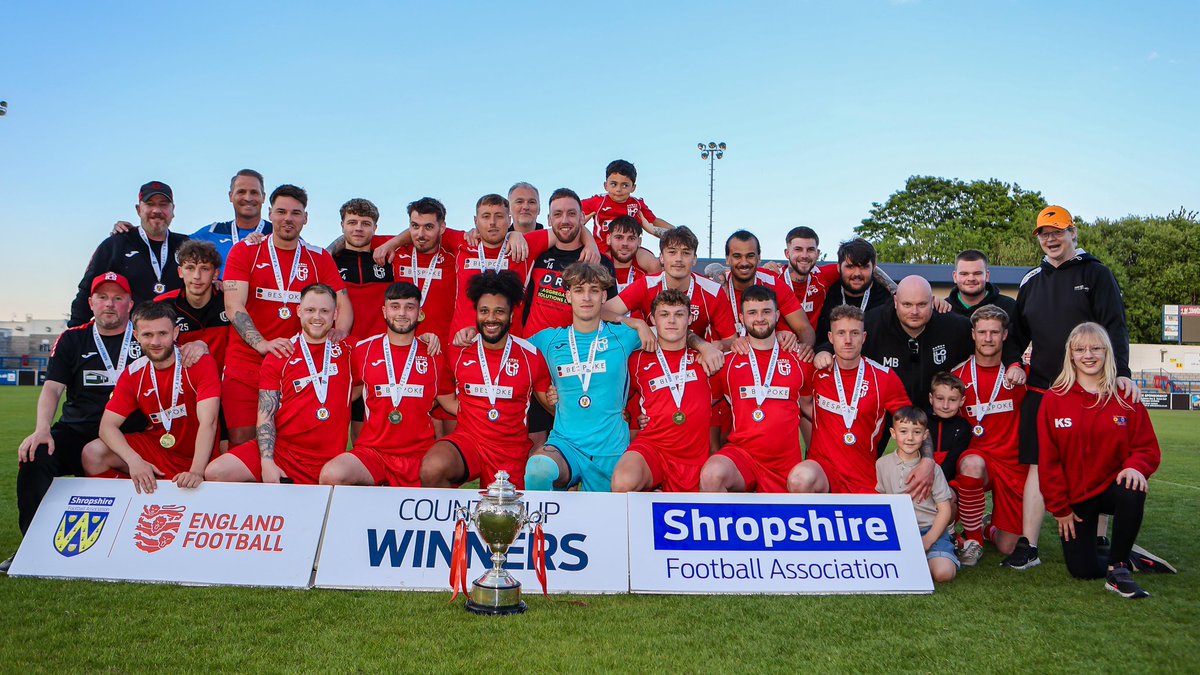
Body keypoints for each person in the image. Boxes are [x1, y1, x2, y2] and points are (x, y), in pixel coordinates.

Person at [1000, 205, 1142, 570]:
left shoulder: (1096, 273)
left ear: (1073, 233)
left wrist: (1121, 371)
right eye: (1044, 234)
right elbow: (1015, 336)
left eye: (1058, 232)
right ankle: (1029, 545)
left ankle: (1099, 535)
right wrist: (1014, 363)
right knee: (1037, 464)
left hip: (1092, 390)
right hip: (1043, 390)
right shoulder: (1032, 280)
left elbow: (1114, 326)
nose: (1051, 239)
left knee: (1103, 457)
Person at [1039, 323, 1162, 598]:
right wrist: (1059, 508)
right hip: (1076, 496)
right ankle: (1130, 556)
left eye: (1096, 348)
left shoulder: (1125, 395)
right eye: (1080, 349)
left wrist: (1135, 467)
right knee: (1082, 570)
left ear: (1107, 352)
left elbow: (1147, 448)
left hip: (1112, 488)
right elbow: (1049, 461)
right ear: (1071, 355)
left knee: (1133, 486)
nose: (1088, 355)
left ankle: (1118, 570)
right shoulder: (1054, 399)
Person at [221, 184, 351, 446]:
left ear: (305, 218)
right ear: (269, 214)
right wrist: (263, 344)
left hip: (296, 365)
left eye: (295, 213)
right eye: (281, 211)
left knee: (290, 441)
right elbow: (234, 305)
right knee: (243, 440)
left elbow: (343, 303)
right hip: (247, 362)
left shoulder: (319, 257)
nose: (288, 218)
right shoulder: (245, 251)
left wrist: (340, 332)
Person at [13, 273, 140, 539]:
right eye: (102, 297)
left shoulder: (145, 337)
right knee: (35, 457)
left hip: (130, 435)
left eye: (118, 298)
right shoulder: (72, 339)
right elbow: (52, 388)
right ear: (91, 302)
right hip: (77, 431)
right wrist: (42, 430)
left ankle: (127, 538)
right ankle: (32, 544)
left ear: (130, 304)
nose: (109, 304)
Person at [206, 284, 354, 484]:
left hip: (329, 459)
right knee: (216, 472)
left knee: (337, 476)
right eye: (310, 310)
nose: (317, 317)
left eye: (324, 311)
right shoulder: (281, 353)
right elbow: (265, 413)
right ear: (299, 311)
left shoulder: (350, 350)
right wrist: (267, 463)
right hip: (282, 451)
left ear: (335, 314)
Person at [419, 270, 553, 489]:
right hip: (469, 442)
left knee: (507, 518)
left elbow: (550, 405)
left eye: (499, 311)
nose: (491, 318)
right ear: (477, 314)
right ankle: (454, 523)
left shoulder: (531, 356)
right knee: (433, 467)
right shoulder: (459, 350)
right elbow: (444, 395)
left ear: (511, 316)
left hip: (511, 451)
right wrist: (468, 410)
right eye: (484, 311)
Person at [524, 263, 645, 492]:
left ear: (604, 296)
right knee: (538, 469)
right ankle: (546, 528)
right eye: (579, 290)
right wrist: (469, 334)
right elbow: (507, 349)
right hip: (566, 444)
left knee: (606, 524)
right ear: (568, 296)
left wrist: (638, 323)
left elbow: (673, 336)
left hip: (611, 449)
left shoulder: (626, 337)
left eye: (594, 290)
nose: (586, 297)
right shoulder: (549, 340)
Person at [320, 282, 451, 486]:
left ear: (419, 313)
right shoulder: (362, 350)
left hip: (420, 456)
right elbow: (344, 393)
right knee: (333, 474)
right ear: (384, 311)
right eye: (395, 306)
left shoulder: (434, 355)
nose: (402, 313)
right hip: (374, 454)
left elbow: (450, 402)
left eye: (409, 307)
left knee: (441, 476)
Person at [81, 302, 220, 494]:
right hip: (159, 451)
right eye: (147, 335)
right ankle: (130, 507)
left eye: (162, 333)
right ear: (136, 335)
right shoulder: (133, 373)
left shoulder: (197, 362)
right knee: (93, 453)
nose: (155, 342)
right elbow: (107, 426)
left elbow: (209, 422)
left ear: (175, 333)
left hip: (200, 456)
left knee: (219, 471)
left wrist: (196, 471)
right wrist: (134, 461)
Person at [790, 305, 922, 495]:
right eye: (841, 333)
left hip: (864, 475)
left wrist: (923, 461)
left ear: (864, 337)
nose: (848, 340)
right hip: (823, 471)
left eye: (854, 333)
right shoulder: (816, 371)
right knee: (799, 479)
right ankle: (815, 523)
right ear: (830, 338)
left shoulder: (884, 377)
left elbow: (910, 422)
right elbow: (804, 403)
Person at [700, 286, 815, 493]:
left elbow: (810, 408)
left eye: (766, 312)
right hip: (743, 458)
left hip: (786, 464)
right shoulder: (727, 363)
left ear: (778, 315)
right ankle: (727, 524)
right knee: (712, 474)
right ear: (742, 318)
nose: (760, 318)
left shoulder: (800, 360)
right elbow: (699, 405)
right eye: (752, 313)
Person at [612, 289, 714, 492]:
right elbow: (613, 397)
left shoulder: (706, 359)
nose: (672, 321)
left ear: (690, 319)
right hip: (653, 450)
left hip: (695, 458)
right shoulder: (636, 360)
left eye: (679, 314)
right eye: (664, 314)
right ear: (653, 319)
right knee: (624, 480)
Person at [950, 306, 1027, 567]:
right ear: (973, 334)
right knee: (971, 463)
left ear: (1005, 335)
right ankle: (974, 539)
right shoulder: (958, 375)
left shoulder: (1019, 375)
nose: (988, 338)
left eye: (994, 332)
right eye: (982, 332)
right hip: (977, 461)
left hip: (1013, 465)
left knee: (1009, 546)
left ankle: (987, 528)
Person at [828, 275, 973, 412]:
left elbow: (986, 343)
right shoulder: (871, 324)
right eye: (907, 304)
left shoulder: (956, 327)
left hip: (937, 419)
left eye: (922, 304)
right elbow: (841, 341)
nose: (914, 311)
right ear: (896, 302)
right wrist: (823, 352)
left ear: (932, 301)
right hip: (884, 421)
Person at [69, 181, 188, 326]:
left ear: (173, 210)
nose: (156, 210)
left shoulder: (186, 245)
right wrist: (74, 332)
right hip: (128, 340)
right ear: (138, 210)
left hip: (178, 337)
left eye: (163, 204)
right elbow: (87, 290)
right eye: (150, 204)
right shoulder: (116, 244)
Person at [603, 226, 736, 346]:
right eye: (672, 252)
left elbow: (730, 339)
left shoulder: (712, 290)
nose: (678, 259)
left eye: (685, 253)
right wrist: (638, 324)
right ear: (661, 258)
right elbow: (602, 312)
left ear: (694, 259)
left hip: (695, 361)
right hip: (654, 358)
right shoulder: (647, 285)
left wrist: (712, 347)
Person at [876, 407, 958, 583]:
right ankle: (913, 562)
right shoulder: (881, 465)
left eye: (917, 432)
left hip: (930, 530)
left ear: (925, 435)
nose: (910, 438)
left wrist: (928, 540)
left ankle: (939, 554)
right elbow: (881, 503)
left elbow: (945, 510)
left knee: (944, 573)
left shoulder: (933, 469)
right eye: (903, 431)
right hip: (899, 532)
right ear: (892, 433)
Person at [723, 230, 815, 350]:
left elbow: (804, 328)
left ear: (759, 258)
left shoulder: (775, 285)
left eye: (750, 256)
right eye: (737, 256)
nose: (744, 262)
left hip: (770, 359)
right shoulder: (717, 288)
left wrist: (804, 351)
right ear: (727, 259)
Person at [581, 159, 670, 272]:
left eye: (625, 185)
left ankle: (655, 289)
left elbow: (653, 221)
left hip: (630, 249)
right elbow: (573, 216)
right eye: (614, 184)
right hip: (602, 249)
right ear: (605, 185)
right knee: (597, 270)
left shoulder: (636, 204)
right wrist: (588, 243)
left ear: (633, 187)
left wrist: (677, 231)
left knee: (654, 264)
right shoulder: (597, 202)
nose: (618, 189)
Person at [154, 240, 231, 370]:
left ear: (216, 274)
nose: (197, 276)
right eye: (190, 268)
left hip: (224, 383)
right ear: (180, 271)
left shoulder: (229, 300)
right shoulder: (162, 305)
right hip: (179, 382)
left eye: (205, 268)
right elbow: (153, 347)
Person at [813, 238, 894, 350]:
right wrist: (823, 351)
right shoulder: (826, 294)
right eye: (850, 267)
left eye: (864, 266)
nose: (857, 274)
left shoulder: (888, 299)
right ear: (838, 267)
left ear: (874, 268)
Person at [333, 198, 393, 346]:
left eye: (366, 224)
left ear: (375, 228)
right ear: (342, 226)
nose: (358, 228)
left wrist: (394, 243)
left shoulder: (390, 259)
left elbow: (414, 232)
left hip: (380, 349)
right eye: (352, 222)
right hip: (340, 346)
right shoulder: (329, 262)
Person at [187, 169, 273, 268]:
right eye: (241, 192)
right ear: (231, 196)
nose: (248, 198)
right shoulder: (211, 232)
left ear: (263, 197)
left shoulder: (275, 233)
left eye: (254, 192)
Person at [779, 226, 835, 329]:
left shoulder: (823, 276)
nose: (804, 255)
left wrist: (875, 271)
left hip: (812, 343)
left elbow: (854, 266)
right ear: (787, 253)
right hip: (780, 344)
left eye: (810, 250)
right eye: (798, 249)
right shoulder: (773, 278)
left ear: (817, 254)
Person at [946, 249, 1017, 319]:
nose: (971, 279)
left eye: (977, 273)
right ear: (955, 277)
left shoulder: (1008, 307)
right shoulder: (943, 309)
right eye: (964, 274)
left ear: (987, 276)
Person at [607, 216, 646, 297]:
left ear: (639, 242)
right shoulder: (597, 273)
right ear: (609, 239)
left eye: (631, 238)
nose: (625, 244)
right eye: (619, 237)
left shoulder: (647, 276)